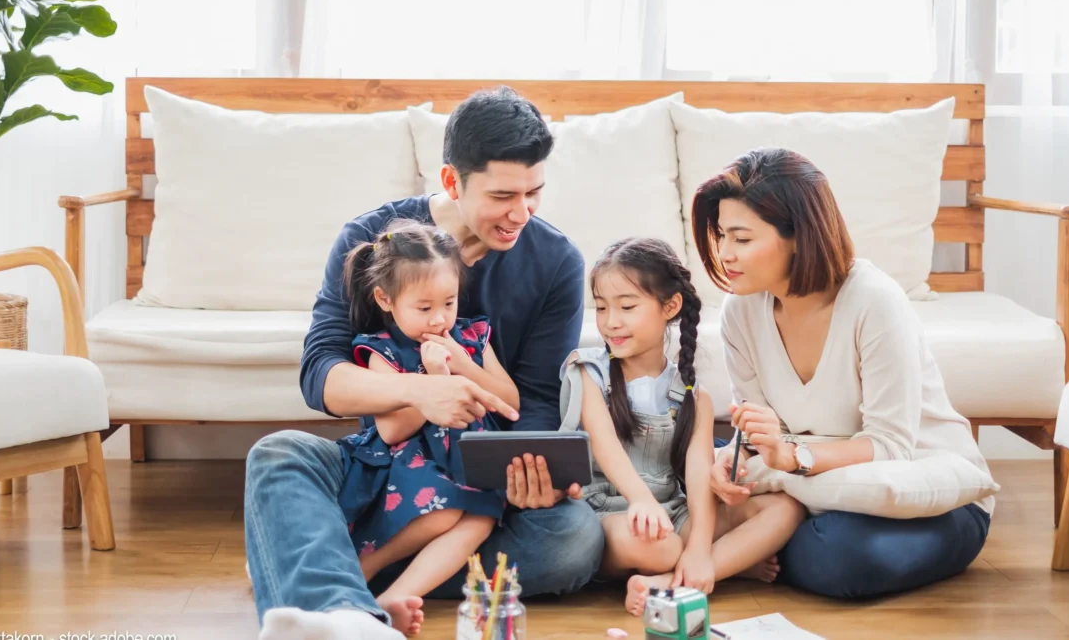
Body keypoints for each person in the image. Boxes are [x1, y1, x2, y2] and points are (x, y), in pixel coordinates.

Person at [246, 87, 604, 640]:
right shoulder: (372, 239)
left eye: (535, 193)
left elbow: (532, 402)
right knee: (279, 456)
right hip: (384, 472)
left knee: (574, 537)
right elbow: (321, 375)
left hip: (478, 491)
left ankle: (322, 574)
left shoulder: (556, 261)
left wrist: (527, 477)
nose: (522, 213)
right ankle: (347, 602)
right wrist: (420, 393)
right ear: (451, 182)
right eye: (504, 195)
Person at [690, 147, 993, 600]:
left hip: (922, 493)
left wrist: (789, 458)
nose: (725, 254)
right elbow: (760, 437)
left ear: (798, 236)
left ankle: (754, 541)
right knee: (688, 460)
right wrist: (731, 459)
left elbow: (889, 445)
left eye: (742, 238)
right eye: (721, 235)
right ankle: (757, 538)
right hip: (812, 484)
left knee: (836, 558)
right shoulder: (741, 311)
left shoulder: (874, 301)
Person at [559, 238, 804, 616]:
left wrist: (701, 548)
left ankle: (680, 578)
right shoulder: (587, 371)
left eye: (626, 306)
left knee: (784, 509)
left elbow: (698, 477)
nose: (611, 321)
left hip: (671, 513)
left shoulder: (694, 396)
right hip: (606, 514)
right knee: (663, 546)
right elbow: (606, 446)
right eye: (602, 307)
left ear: (669, 307)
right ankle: (723, 569)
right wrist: (640, 501)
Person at [335, 220, 516, 631]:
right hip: (410, 462)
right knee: (443, 511)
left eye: (448, 303)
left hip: (468, 461)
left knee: (481, 515)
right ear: (386, 299)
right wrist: (434, 381)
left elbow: (509, 402)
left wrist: (463, 363)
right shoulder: (381, 350)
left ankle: (397, 595)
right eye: (424, 307)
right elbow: (392, 431)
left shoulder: (471, 337)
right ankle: (359, 571)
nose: (439, 319)